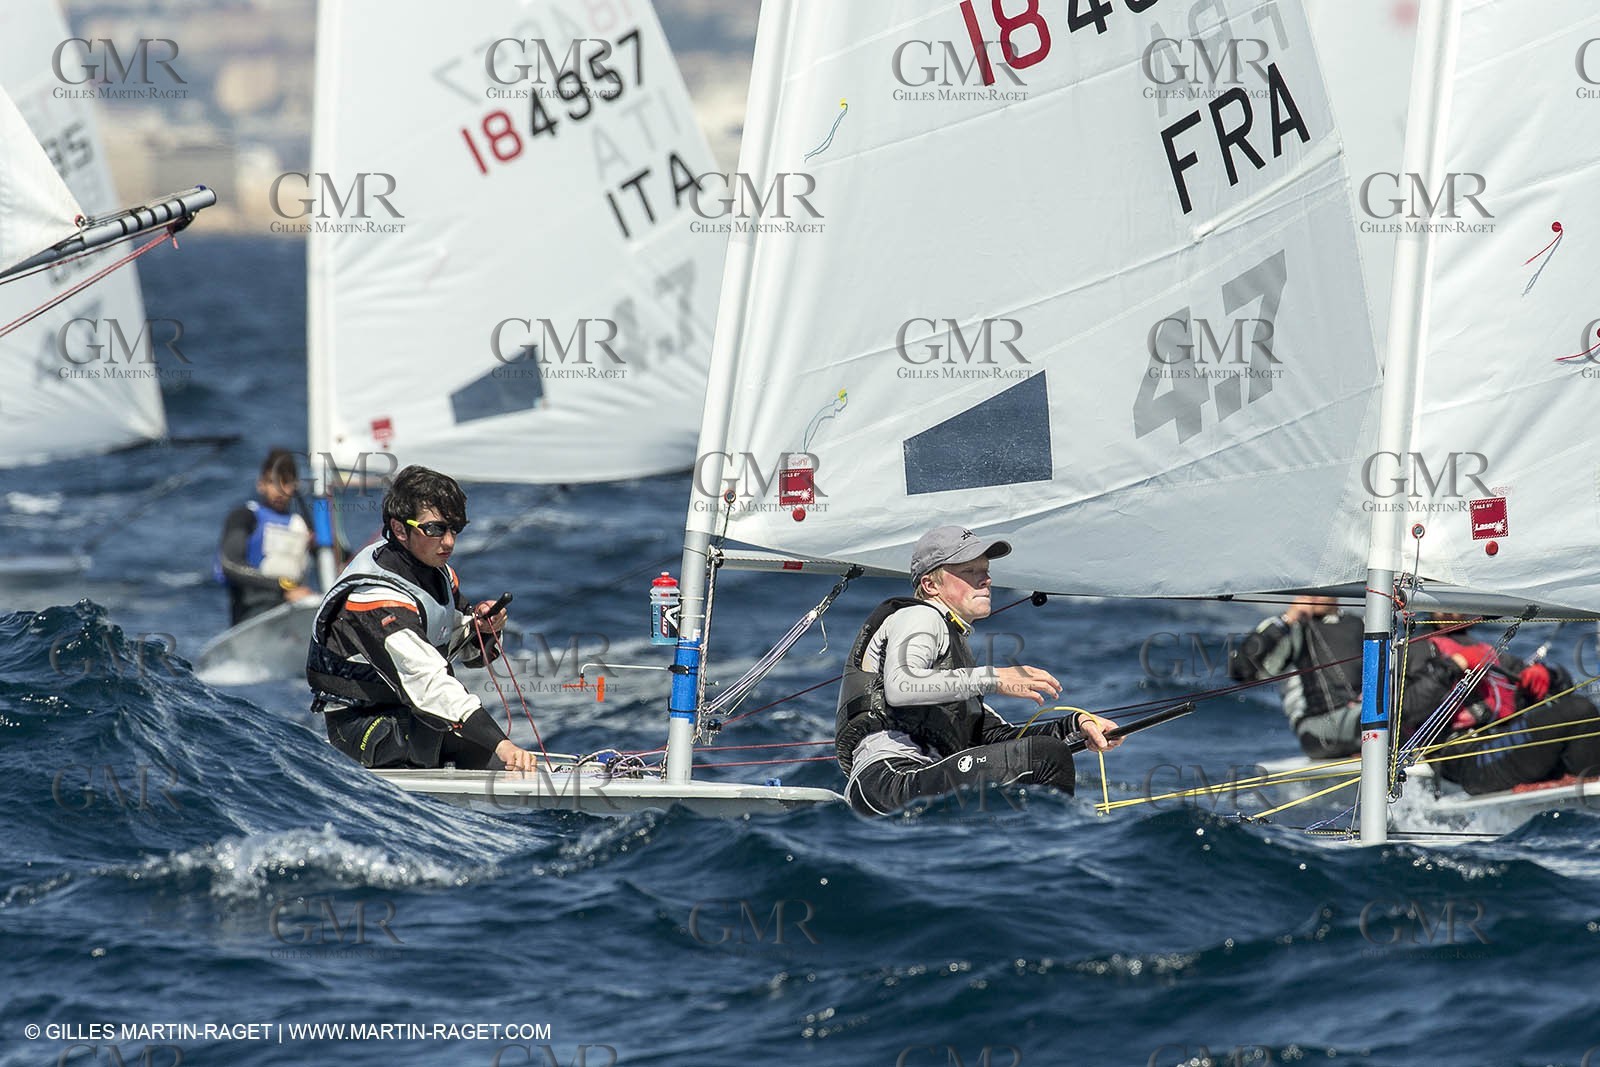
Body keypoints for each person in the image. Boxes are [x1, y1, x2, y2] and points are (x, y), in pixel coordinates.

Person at [834, 524, 1121, 816]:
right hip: (887, 782)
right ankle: (1053, 837)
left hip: (915, 783)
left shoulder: (953, 656)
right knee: (1046, 757)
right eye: (969, 571)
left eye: (985, 570)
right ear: (931, 585)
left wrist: (1075, 727)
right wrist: (993, 678)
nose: (986, 579)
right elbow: (900, 686)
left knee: (1043, 752)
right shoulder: (920, 615)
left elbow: (998, 738)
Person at [305, 465, 540, 772]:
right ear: (400, 529)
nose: (449, 542)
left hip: (408, 713)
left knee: (470, 742)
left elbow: (468, 654)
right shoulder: (374, 597)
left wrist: (482, 628)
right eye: (435, 529)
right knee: (473, 743)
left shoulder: (436, 573)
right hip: (358, 727)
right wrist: (501, 744)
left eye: (454, 528)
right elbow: (428, 682)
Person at [1393, 619, 1600, 795]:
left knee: (1581, 717)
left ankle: (1585, 794)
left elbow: (1561, 690)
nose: (1450, 611)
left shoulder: (1487, 650)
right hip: (1466, 761)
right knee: (1580, 711)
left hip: (1503, 743)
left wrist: (1549, 676)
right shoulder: (1414, 649)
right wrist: (1455, 665)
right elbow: (1405, 710)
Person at [1228, 595, 1364, 759]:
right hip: (1316, 730)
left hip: (1360, 717)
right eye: (1309, 589)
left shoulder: (1360, 624)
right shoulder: (1291, 629)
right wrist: (1287, 619)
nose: (1313, 596)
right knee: (1374, 716)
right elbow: (1241, 670)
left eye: (1320, 589)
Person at [217, 448, 317, 625]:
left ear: (295, 486)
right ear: (260, 484)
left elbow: (340, 561)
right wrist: (283, 586)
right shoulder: (245, 516)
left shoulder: (304, 526)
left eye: (285, 482)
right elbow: (229, 564)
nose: (279, 490)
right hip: (252, 614)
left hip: (295, 612)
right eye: (272, 482)